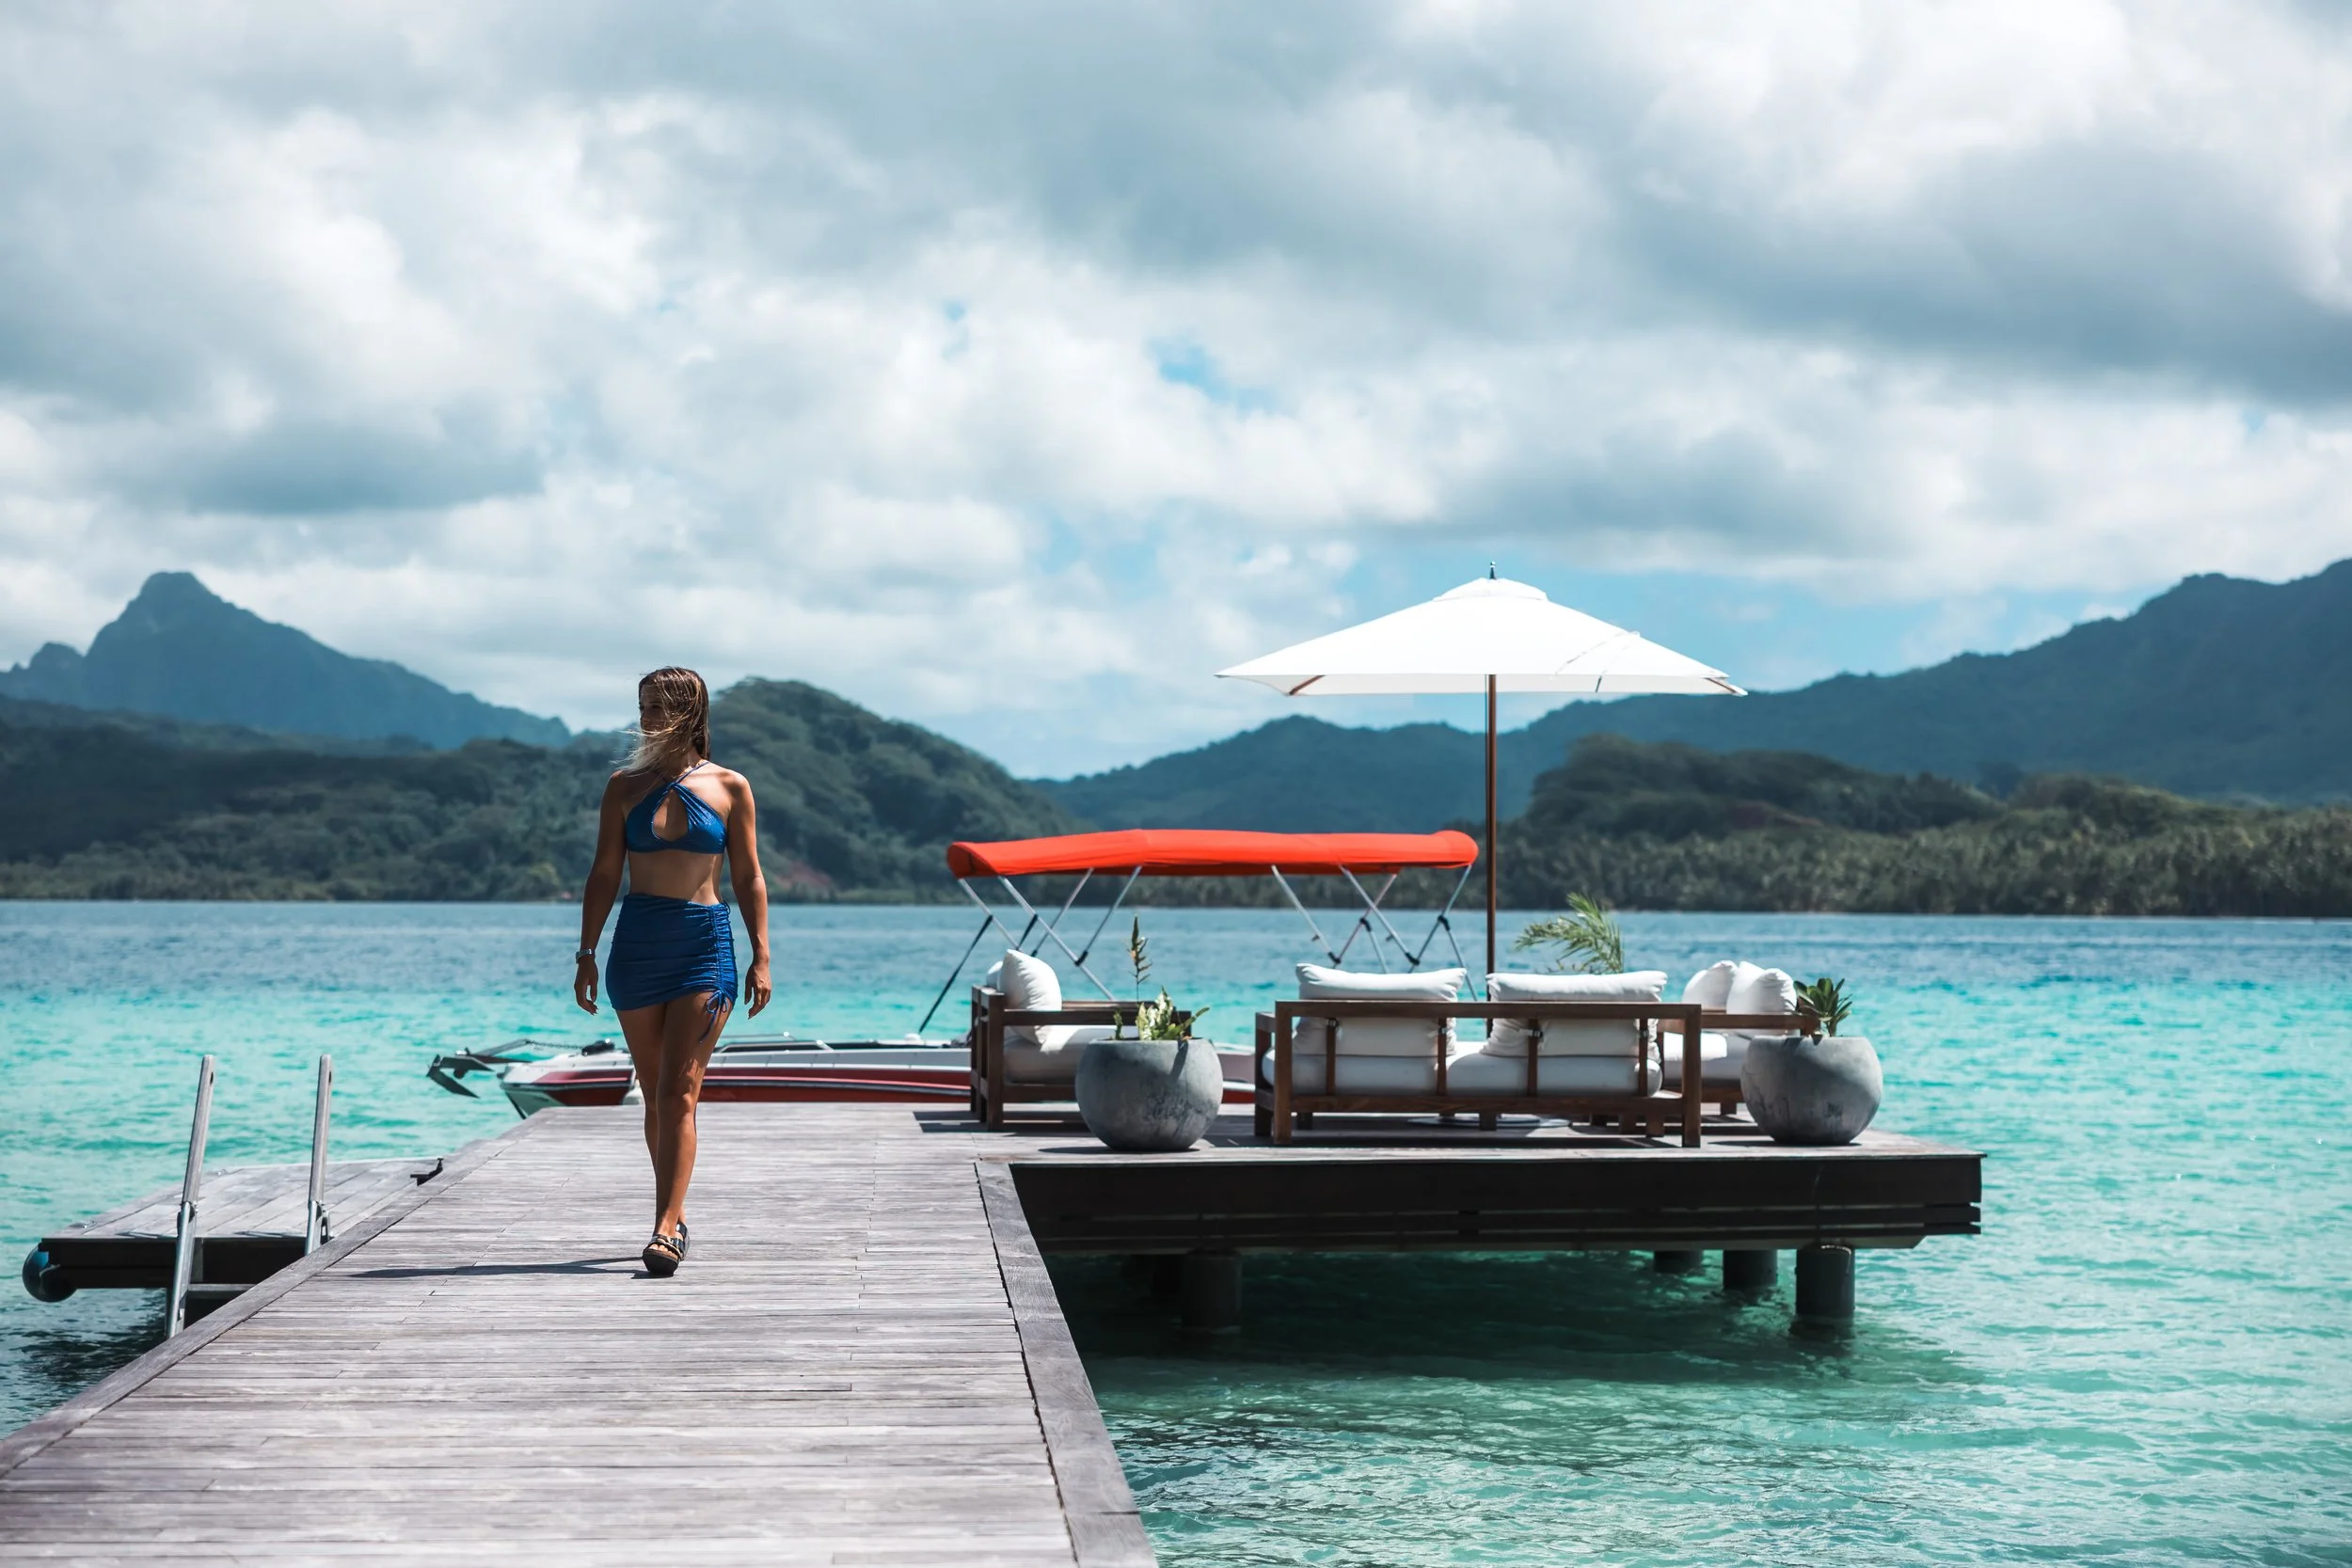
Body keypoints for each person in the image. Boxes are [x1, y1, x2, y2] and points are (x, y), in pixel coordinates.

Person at [574, 667, 771, 1276]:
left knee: (679, 1090)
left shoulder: (731, 786)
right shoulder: (623, 787)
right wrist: (586, 951)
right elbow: (606, 872)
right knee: (656, 1092)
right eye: (643, 705)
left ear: (690, 713)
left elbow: (748, 876)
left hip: (703, 945)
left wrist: (762, 953)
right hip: (637, 945)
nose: (649, 717)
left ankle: (665, 1226)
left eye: (660, 706)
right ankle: (675, 1209)